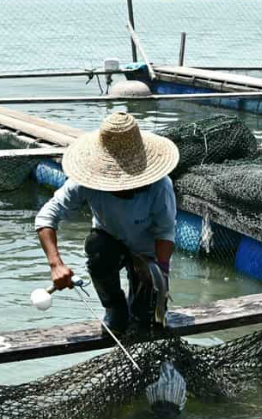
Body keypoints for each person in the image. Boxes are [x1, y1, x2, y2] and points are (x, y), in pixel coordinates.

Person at [35, 112, 180, 336]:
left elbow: (165, 231)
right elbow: (47, 215)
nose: (122, 186)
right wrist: (56, 264)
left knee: (149, 322)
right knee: (98, 248)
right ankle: (114, 308)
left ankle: (146, 306)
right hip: (109, 240)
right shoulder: (85, 182)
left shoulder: (160, 186)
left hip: (148, 252)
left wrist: (160, 272)